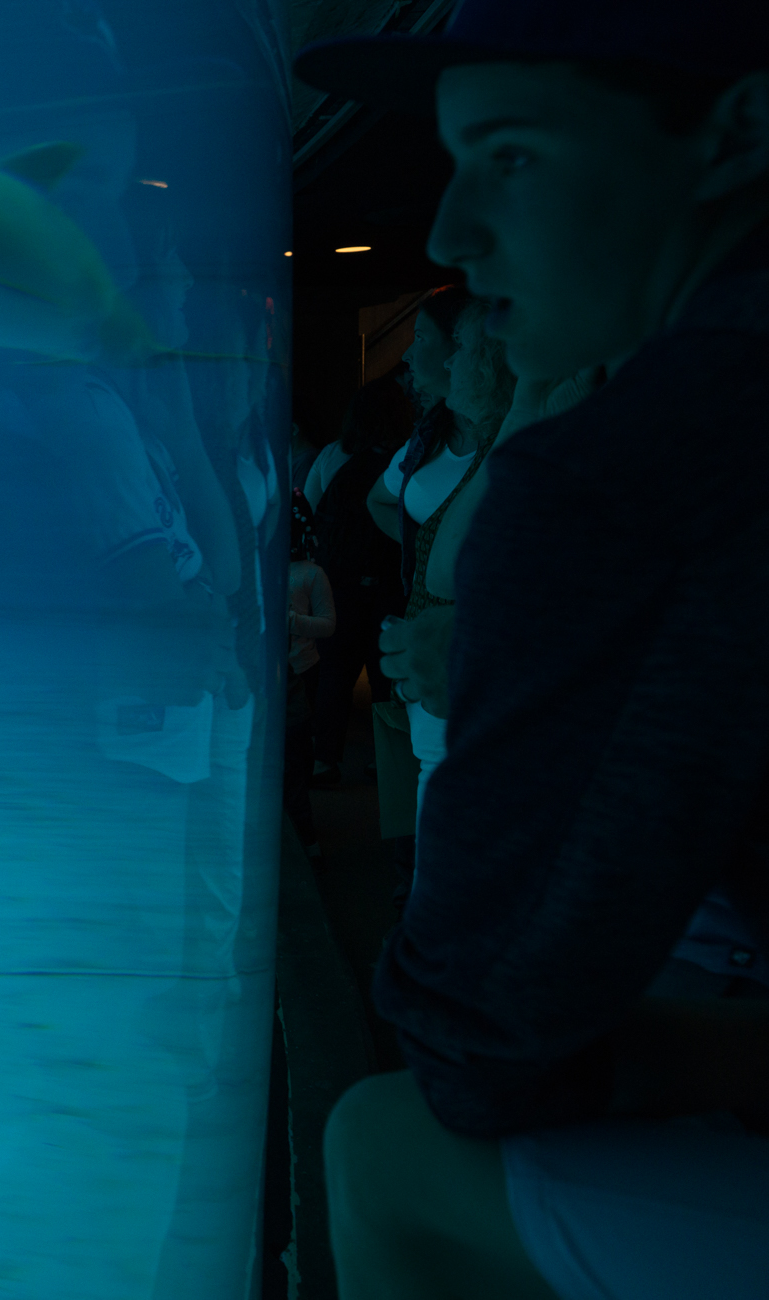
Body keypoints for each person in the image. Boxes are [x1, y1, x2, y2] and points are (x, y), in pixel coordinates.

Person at [296, 3, 769, 1299]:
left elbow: (478, 1046)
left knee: (386, 1144)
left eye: (508, 155)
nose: (446, 235)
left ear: (738, 133)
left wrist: (703, 1057)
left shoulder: (643, 465)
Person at [382, 297, 515, 827]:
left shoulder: (511, 441)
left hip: (465, 672)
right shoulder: (429, 438)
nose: (412, 355)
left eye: (456, 345)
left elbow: (443, 568)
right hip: (439, 660)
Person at [304, 369, 409, 787]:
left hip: (338, 583)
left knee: (334, 673)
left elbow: (310, 511)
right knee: (387, 674)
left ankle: (324, 761)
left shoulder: (332, 456)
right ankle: (386, 762)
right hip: (391, 583)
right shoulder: (407, 458)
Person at [284, 490, 336, 858]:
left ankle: (307, 839)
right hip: (270, 678)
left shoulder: (311, 574)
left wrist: (294, 621)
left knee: (297, 757)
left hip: (301, 669)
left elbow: (329, 624)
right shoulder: (259, 568)